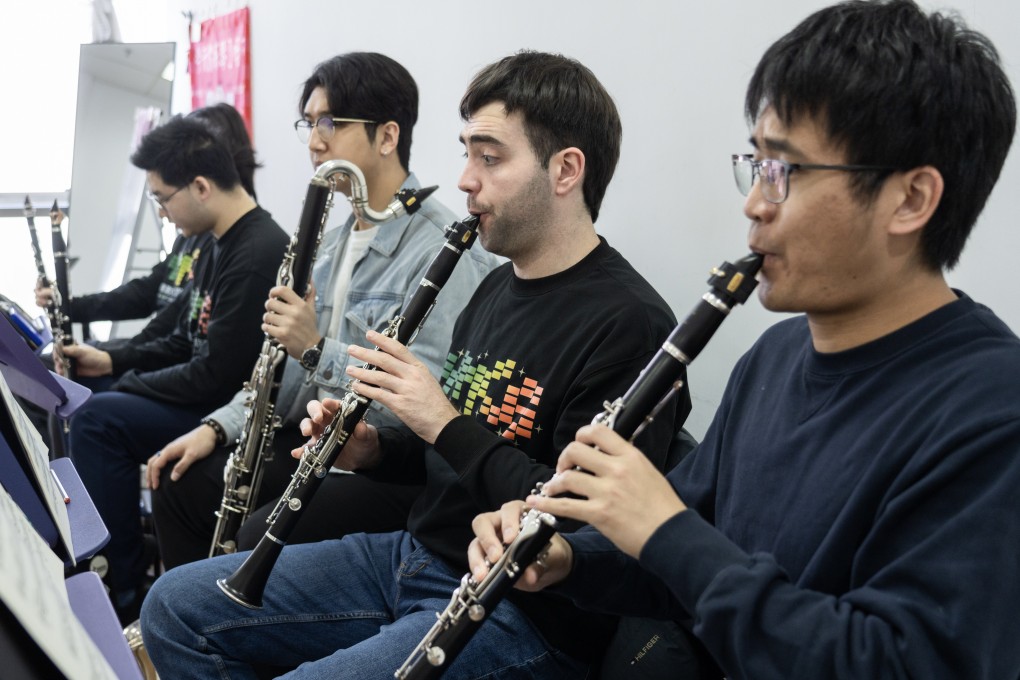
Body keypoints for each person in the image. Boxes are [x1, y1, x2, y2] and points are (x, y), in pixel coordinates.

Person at [468, 2, 1020, 678]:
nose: (754, 204)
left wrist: (665, 530)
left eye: (783, 172)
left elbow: (896, 662)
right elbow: (682, 565)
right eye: (754, 165)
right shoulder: (776, 358)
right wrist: (568, 559)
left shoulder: (993, 413)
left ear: (910, 200)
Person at [141, 50, 690, 679]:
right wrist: (377, 451)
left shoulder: (630, 322)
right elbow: (448, 461)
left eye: (490, 157)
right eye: (465, 154)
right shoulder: (493, 288)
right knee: (174, 607)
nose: (464, 179)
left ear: (565, 170)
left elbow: (577, 524)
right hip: (414, 554)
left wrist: (440, 420)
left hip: (520, 606)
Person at [146, 52, 496, 570]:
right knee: (180, 484)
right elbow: (284, 384)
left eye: (330, 123)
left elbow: (424, 406)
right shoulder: (328, 244)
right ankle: (183, 626)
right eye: (308, 124)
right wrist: (217, 427)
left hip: (383, 462)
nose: (314, 141)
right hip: (318, 437)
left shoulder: (442, 250)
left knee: (255, 535)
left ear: (387, 136)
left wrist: (314, 347)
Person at [68, 115, 289, 622]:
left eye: (163, 199)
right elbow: (180, 334)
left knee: (99, 420)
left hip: (222, 410)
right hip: (203, 394)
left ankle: (121, 589)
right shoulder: (218, 239)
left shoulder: (255, 251)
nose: (163, 214)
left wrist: (125, 379)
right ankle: (116, 571)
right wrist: (117, 365)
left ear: (202, 187)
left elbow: (216, 376)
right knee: (97, 399)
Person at [34, 103, 260, 348]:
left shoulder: (229, 240)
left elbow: (183, 340)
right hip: (157, 358)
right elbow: (149, 291)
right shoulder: (191, 232)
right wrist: (71, 306)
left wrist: (114, 360)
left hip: (169, 365)